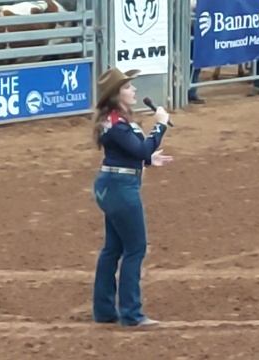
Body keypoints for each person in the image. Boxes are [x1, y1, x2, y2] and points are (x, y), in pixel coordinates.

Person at [91, 67, 173, 327]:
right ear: (116, 95)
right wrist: (159, 126)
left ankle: (104, 309)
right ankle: (131, 313)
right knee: (135, 248)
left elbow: (131, 153)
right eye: (127, 87)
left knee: (113, 248)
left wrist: (149, 158)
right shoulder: (118, 124)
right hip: (121, 188)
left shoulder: (114, 121)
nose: (134, 90)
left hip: (112, 185)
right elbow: (139, 149)